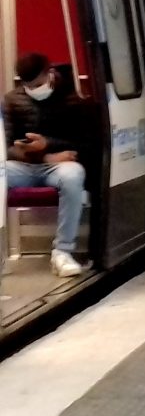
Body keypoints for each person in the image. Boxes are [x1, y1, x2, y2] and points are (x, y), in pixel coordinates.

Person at [4, 53, 89, 277]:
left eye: (38, 84)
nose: (34, 90)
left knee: (73, 176)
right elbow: (7, 147)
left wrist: (48, 144)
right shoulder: (12, 100)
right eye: (28, 86)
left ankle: (63, 251)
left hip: (60, 165)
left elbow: (84, 142)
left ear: (49, 73)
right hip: (24, 165)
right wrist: (43, 156)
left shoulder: (72, 98)